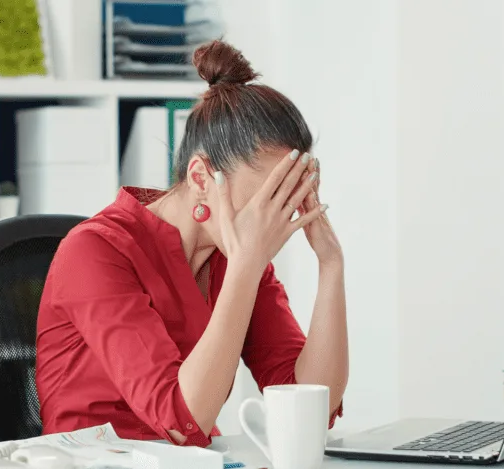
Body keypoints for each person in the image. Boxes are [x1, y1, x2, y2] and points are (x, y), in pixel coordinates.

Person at [35, 39, 349, 447]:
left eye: (286, 198)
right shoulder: (94, 251)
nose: (272, 221)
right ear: (201, 178)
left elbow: (312, 403)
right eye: (264, 199)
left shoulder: (235, 257)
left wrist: (331, 264)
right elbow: (182, 419)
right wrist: (246, 266)